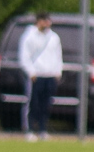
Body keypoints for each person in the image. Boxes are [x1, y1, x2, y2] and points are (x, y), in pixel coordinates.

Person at [19, 12, 63, 142]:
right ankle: (29, 130)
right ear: (39, 21)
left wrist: (58, 71)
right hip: (36, 75)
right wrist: (31, 72)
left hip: (50, 74)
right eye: (45, 20)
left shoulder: (54, 37)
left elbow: (58, 55)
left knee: (46, 104)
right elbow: (24, 56)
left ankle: (43, 130)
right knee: (33, 103)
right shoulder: (29, 36)